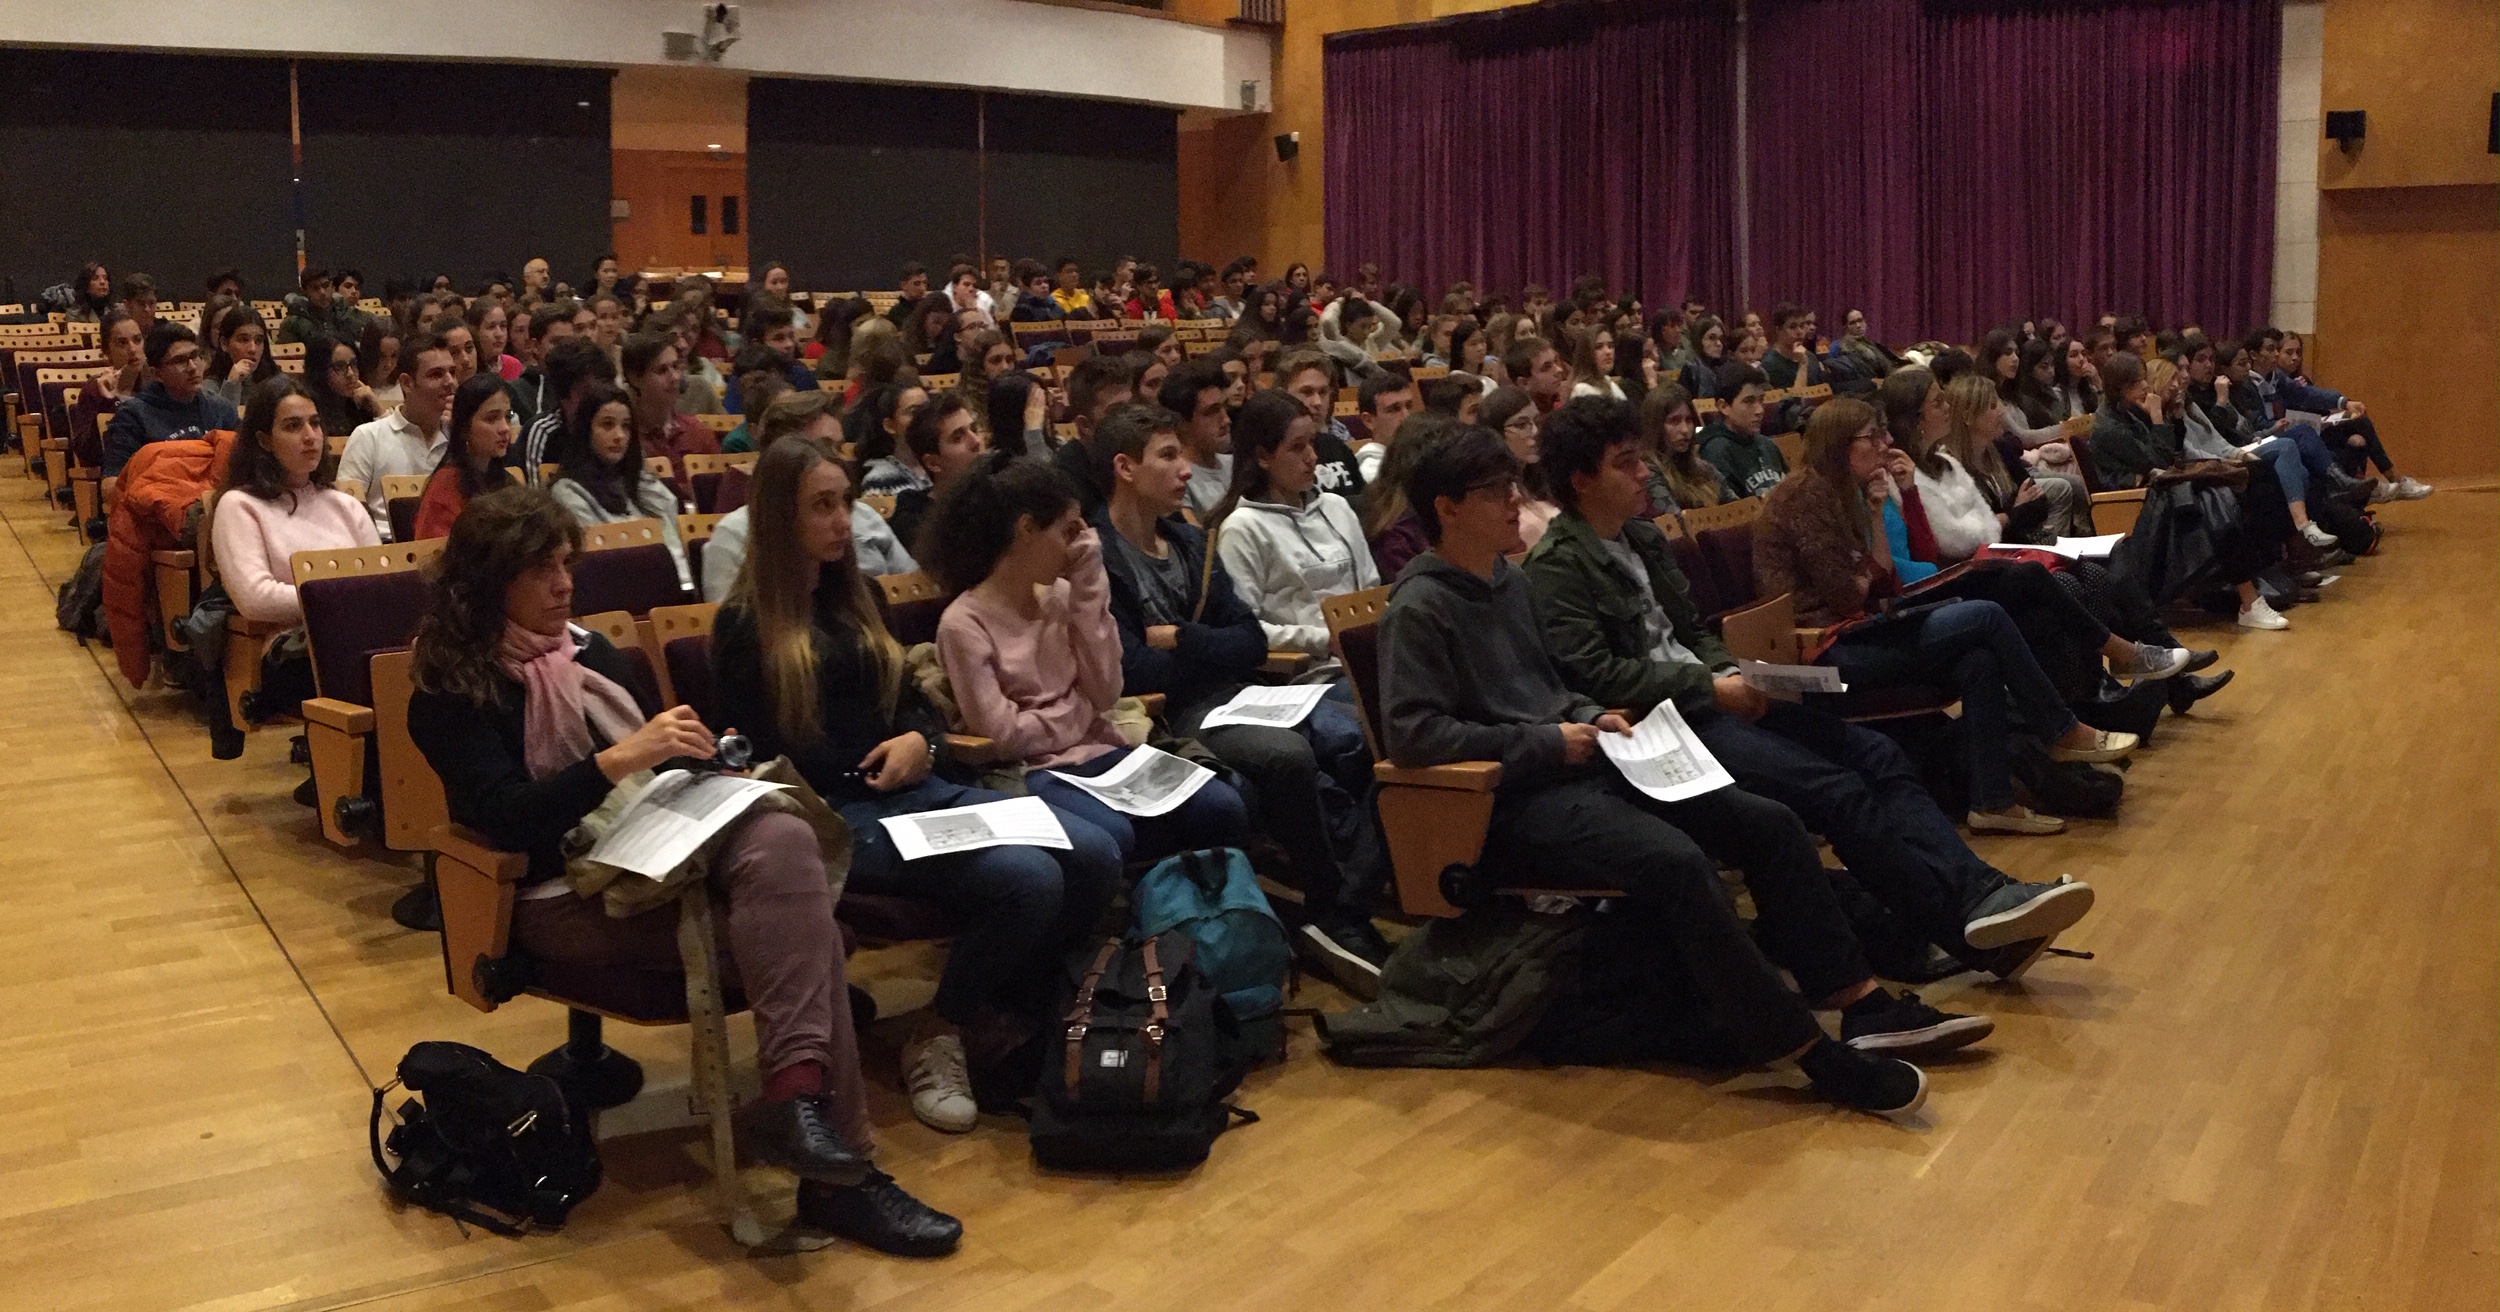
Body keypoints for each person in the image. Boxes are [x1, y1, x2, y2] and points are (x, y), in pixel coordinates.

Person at [406, 486, 958, 1254]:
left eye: (567, 563)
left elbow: (654, 777)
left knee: (780, 830)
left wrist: (704, 766)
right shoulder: (449, 690)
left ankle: (799, 1108)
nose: (566, 585)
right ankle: (841, 1170)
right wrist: (623, 759)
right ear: (489, 583)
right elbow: (507, 817)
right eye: (541, 570)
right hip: (558, 892)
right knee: (815, 940)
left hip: (660, 855)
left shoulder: (593, 655)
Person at [1381, 424, 1986, 1117]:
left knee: (1768, 822)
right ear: (1447, 508)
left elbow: (1555, 685)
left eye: (1513, 487)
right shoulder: (1421, 605)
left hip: (1584, 761)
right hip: (1509, 803)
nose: (1515, 502)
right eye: (1494, 493)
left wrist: (1589, 713)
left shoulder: (1504, 585)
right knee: (1677, 861)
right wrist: (1550, 740)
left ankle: (1862, 1002)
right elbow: (1416, 734)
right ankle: (1810, 1055)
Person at [1524, 396, 2097, 979]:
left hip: (1714, 698)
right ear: (1582, 481)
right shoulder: (1556, 566)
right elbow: (1594, 673)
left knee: (1877, 754)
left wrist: (1726, 670)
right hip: (1659, 728)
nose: (1644, 472)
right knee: (1835, 789)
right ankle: (1970, 928)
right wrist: (1709, 684)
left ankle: (1981, 897)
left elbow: (1695, 632)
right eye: (1625, 463)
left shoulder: (1641, 539)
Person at [712, 436, 1116, 1133]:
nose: (843, 522)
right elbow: (760, 755)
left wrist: (919, 743)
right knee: (1032, 879)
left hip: (913, 792)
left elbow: (916, 709)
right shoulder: (745, 623)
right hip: (833, 821)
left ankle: (1010, 1009)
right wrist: (879, 766)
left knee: (1095, 851)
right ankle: (943, 1029)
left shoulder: (859, 596)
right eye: (822, 507)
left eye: (845, 503)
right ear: (780, 517)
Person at [1086, 403, 1391, 986]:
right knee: (1289, 755)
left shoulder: (1187, 541)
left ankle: (1355, 894)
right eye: (1168, 456)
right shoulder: (1098, 558)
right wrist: (1206, 650)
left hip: (1245, 691)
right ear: (1125, 468)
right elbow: (1136, 672)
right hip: (1169, 717)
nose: (1187, 471)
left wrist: (1184, 639)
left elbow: (1249, 637)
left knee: (1369, 724)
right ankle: (1329, 906)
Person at [1756, 401, 2140, 834]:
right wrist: (1864, 573)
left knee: (1979, 659)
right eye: (1873, 436)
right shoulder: (1804, 496)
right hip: (1818, 650)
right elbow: (1848, 596)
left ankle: (1991, 802)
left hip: (1857, 628)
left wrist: (1878, 515)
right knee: (1986, 615)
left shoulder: (1845, 492)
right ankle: (2062, 729)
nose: (1885, 444)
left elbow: (1884, 583)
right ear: (1841, 445)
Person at [926, 450, 1249, 863]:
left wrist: (1090, 586)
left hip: (1103, 750)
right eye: (1070, 530)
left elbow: (1106, 692)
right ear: (1027, 530)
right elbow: (1003, 736)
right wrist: (1079, 713)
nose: (1083, 542)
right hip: (1035, 771)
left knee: (1223, 803)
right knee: (1113, 833)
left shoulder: (1064, 596)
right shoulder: (962, 624)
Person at [204, 377, 382, 758]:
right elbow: (255, 598)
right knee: (384, 674)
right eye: (293, 426)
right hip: (287, 654)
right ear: (264, 440)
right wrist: (342, 600)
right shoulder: (239, 506)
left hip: (358, 639)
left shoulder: (343, 504)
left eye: (315, 423)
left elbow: (382, 580)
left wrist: (345, 600)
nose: (311, 436)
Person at [1207, 388, 1381, 682]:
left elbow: (1371, 589)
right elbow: (1244, 629)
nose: (1312, 457)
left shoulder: (1336, 507)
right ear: (1263, 456)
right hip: (1312, 674)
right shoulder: (1243, 528)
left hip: (1369, 658)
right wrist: (1322, 640)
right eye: (1297, 447)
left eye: (1311, 443)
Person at [701, 392, 915, 602]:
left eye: (840, 449)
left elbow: (916, 592)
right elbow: (730, 625)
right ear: (783, 456)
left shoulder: (865, 515)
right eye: (824, 449)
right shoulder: (734, 534)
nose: (839, 462)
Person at [548, 380, 692, 589]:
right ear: (586, 430)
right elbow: (603, 560)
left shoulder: (638, 482)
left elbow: (671, 534)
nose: (619, 436)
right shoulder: (567, 491)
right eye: (607, 425)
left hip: (674, 587)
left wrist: (638, 468)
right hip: (617, 591)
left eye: (626, 427)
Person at [2274, 330, 2429, 498]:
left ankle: (2370, 491)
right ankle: (2394, 481)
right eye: (2289, 353)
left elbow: (2320, 408)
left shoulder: (2302, 381)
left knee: (2359, 435)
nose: (2295, 357)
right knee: (2358, 432)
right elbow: (2282, 417)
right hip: (2299, 437)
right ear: (2276, 354)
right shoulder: (2277, 383)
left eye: (2299, 352)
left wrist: (2331, 414)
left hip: (2318, 429)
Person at [338, 328, 461, 538]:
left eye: (452, 372)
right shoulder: (369, 437)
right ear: (407, 383)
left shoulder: (460, 439)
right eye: (436, 374)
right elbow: (345, 516)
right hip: (385, 554)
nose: (450, 382)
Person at [103, 322, 242, 480]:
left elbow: (247, 461)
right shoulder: (133, 415)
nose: (192, 367)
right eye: (180, 361)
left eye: (194, 356)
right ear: (157, 374)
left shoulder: (220, 408)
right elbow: (111, 484)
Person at [414, 374, 519, 540]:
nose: (505, 428)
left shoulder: (509, 481)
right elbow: (438, 558)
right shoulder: (445, 487)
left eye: (508, 416)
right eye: (492, 418)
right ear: (464, 429)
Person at [888, 392, 987, 551]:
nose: (976, 441)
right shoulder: (914, 519)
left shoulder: (1002, 493)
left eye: (974, 429)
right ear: (933, 463)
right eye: (957, 438)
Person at [621, 331, 714, 491]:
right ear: (635, 378)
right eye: (662, 370)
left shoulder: (699, 433)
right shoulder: (623, 439)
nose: (675, 377)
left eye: (676, 367)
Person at [1274, 349, 1368, 498]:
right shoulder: (1275, 453)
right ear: (1282, 395)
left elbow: (1365, 503)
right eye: (1307, 392)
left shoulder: (1337, 445)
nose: (1317, 402)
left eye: (1323, 392)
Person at [1480, 387, 1560, 551]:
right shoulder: (1491, 495)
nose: (1536, 431)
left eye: (1536, 422)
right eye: (1522, 424)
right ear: (1495, 433)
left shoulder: (1546, 478)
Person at [1159, 359, 1233, 520]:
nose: (1226, 419)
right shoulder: (1177, 478)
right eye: (1211, 412)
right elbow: (1195, 541)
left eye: (1225, 407)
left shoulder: (1238, 465)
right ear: (1181, 423)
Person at [1698, 363, 1786, 498]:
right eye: (1749, 401)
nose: (1760, 410)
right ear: (1724, 406)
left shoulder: (1767, 445)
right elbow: (1731, 509)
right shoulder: (1716, 451)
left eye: (1761, 400)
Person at [1639, 382, 1728, 514]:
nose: (1685, 430)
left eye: (1689, 420)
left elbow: (1739, 508)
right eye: (1674, 421)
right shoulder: (1648, 474)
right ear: (1655, 426)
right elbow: (1678, 526)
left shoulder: (1703, 468)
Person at [204, 305, 281, 409]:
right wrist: (232, 384)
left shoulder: (275, 382)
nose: (253, 349)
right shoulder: (209, 387)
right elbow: (219, 423)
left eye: (258, 341)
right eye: (243, 340)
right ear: (224, 344)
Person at [1352, 371, 1416, 483]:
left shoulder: (1420, 454)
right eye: (1394, 409)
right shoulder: (1372, 473)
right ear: (1369, 420)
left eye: (1409, 406)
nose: (1406, 416)